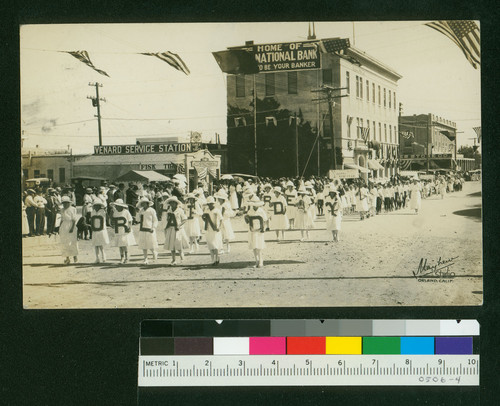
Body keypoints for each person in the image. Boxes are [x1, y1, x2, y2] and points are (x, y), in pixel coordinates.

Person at [164, 196, 188, 265]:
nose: (172, 204)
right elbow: (167, 219)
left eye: (173, 203)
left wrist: (179, 225)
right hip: (171, 228)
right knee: (171, 244)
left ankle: (181, 257)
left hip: (178, 229)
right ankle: (173, 259)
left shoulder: (180, 210)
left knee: (178, 243)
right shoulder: (169, 211)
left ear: (176, 203)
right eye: (170, 203)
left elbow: (184, 219)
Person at [245, 195, 268, 268]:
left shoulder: (261, 211)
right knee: (254, 246)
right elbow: (247, 221)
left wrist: (263, 228)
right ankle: (256, 261)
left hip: (259, 230)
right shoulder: (250, 211)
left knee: (259, 246)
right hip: (252, 230)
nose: (254, 206)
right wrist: (246, 217)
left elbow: (265, 220)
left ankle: (261, 261)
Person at [110, 198, 135, 264]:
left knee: (124, 244)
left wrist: (130, 227)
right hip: (118, 230)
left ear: (121, 206)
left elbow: (130, 220)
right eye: (116, 206)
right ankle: (122, 257)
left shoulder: (126, 212)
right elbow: (113, 220)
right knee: (120, 245)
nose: (116, 207)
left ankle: (127, 257)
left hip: (124, 230)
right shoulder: (115, 212)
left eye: (117, 205)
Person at [136, 197, 159, 265]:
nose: (143, 204)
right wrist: (137, 213)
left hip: (150, 229)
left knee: (151, 243)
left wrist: (153, 227)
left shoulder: (152, 210)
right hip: (142, 229)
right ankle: (145, 258)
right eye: (142, 203)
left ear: (147, 203)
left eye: (144, 203)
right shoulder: (141, 211)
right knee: (143, 244)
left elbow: (155, 220)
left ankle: (154, 252)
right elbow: (137, 220)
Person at [202, 196, 223, 265]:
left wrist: (219, 227)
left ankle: (217, 258)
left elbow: (221, 219)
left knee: (216, 245)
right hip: (209, 229)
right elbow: (204, 218)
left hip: (215, 229)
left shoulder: (217, 210)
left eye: (211, 203)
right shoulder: (206, 210)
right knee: (210, 245)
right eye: (209, 204)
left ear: (213, 204)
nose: (210, 205)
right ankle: (212, 260)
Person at [59, 195, 79, 264]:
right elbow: (61, 219)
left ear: (69, 203)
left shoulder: (73, 209)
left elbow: (74, 220)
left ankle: (75, 255)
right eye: (64, 203)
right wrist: (59, 227)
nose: (65, 204)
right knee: (65, 242)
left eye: (66, 203)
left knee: (72, 241)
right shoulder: (61, 210)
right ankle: (67, 258)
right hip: (64, 226)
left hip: (71, 225)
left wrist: (72, 228)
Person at [90, 198, 109, 263]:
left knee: (101, 244)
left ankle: (104, 257)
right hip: (95, 230)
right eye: (95, 205)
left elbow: (105, 218)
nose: (96, 206)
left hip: (101, 229)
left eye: (98, 205)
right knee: (96, 244)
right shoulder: (92, 212)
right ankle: (97, 258)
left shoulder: (103, 211)